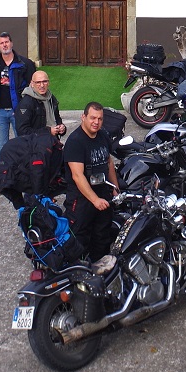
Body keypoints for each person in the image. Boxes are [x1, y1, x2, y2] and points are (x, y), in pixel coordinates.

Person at [62, 102, 118, 260]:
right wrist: (95, 200)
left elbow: (109, 162)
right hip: (81, 199)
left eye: (100, 119)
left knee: (102, 237)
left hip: (103, 193)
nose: (96, 122)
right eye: (93, 118)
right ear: (83, 117)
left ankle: (101, 267)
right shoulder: (75, 141)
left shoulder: (103, 135)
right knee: (79, 239)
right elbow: (77, 176)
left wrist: (115, 187)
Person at [0, 31, 36, 157]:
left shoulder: (25, 64)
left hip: (19, 111)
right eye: (1, 43)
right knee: (2, 148)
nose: (4, 45)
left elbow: (33, 87)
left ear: (11, 43)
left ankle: (23, 169)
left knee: (24, 145)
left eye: (6, 42)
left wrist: (25, 108)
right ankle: (3, 170)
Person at [16, 71, 66, 139]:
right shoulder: (26, 103)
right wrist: (48, 131)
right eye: (38, 82)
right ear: (32, 83)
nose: (42, 85)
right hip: (35, 143)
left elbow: (57, 118)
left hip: (52, 140)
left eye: (44, 81)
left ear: (48, 83)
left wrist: (61, 127)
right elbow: (22, 131)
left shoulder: (51, 98)